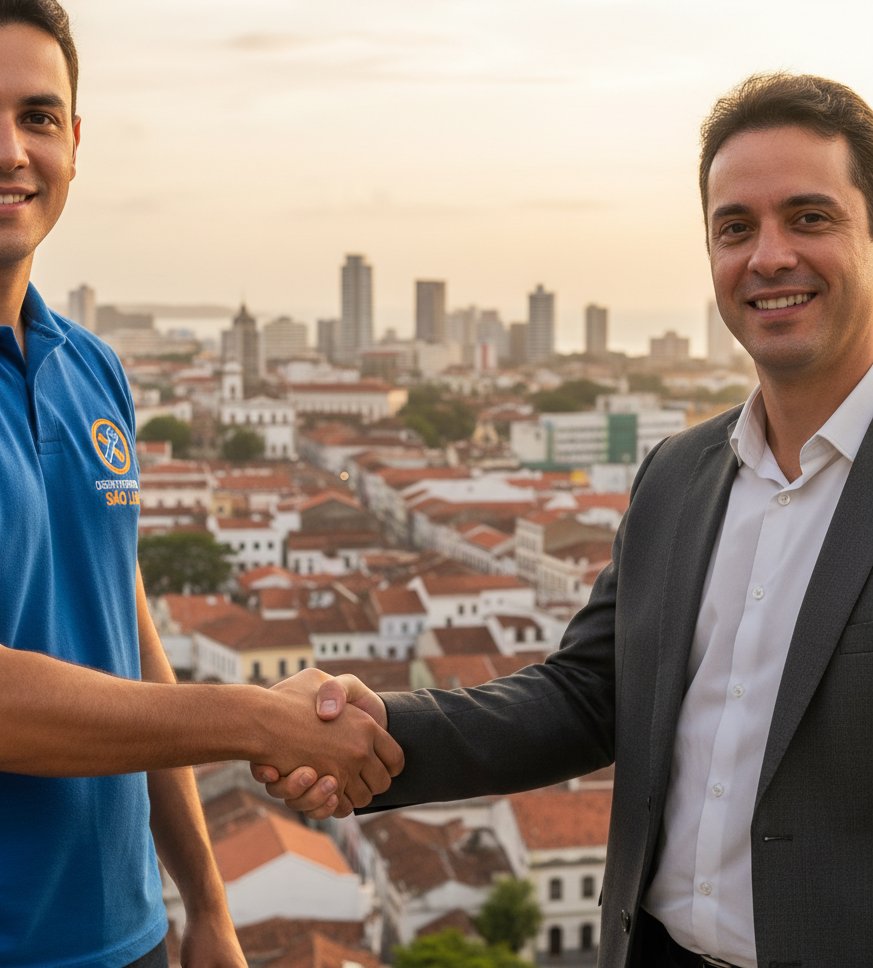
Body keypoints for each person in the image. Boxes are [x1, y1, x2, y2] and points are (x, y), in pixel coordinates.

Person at [0, 0, 402, 968]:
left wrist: (205, 902)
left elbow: (121, 624)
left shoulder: (89, 365)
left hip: (126, 937)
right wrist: (261, 717)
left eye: (39, 117)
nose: (7, 151)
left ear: (73, 142)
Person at [256, 72, 873, 968]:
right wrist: (379, 727)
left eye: (809, 217)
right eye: (735, 228)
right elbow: (587, 697)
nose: (768, 256)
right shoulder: (678, 477)